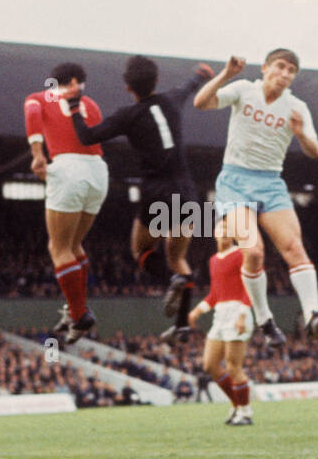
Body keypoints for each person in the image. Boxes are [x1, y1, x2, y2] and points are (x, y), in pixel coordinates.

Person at [67, 56, 214, 340]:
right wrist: (201, 75)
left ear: (127, 87)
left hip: (158, 192)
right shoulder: (172, 99)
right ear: (156, 81)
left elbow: (87, 136)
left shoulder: (129, 115)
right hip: (188, 192)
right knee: (177, 257)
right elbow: (188, 87)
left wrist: (74, 106)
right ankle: (182, 325)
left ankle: (172, 280)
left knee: (141, 250)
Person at [193, 49, 318, 344]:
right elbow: (201, 102)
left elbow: (315, 150)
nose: (285, 74)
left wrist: (301, 134)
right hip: (235, 181)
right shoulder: (244, 90)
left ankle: (313, 314)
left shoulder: (296, 107)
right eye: (280, 66)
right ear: (265, 68)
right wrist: (226, 74)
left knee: (294, 247)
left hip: (270, 183)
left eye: (291, 70)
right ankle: (264, 319)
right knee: (254, 251)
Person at [24, 63, 107, 343]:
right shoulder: (91, 105)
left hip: (68, 168)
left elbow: (32, 112)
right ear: (73, 81)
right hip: (98, 170)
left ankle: (79, 314)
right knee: (73, 246)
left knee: (58, 248)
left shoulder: (41, 97)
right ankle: (76, 310)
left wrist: (37, 153)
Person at [187, 224, 254, 425]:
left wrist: (243, 315)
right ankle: (236, 405)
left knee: (233, 366)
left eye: (227, 229)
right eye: (220, 229)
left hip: (237, 311)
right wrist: (197, 311)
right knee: (210, 364)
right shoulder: (214, 260)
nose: (224, 233)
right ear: (214, 234)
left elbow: (250, 286)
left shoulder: (241, 254)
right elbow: (215, 293)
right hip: (220, 315)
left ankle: (246, 412)